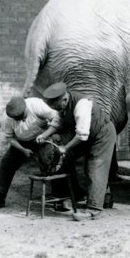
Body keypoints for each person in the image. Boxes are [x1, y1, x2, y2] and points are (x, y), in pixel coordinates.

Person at [43, 82, 117, 221]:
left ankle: (93, 209)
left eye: (57, 106)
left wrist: (65, 147)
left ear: (64, 99)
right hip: (86, 136)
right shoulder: (61, 105)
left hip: (102, 134)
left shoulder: (81, 105)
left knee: (94, 167)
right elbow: (57, 123)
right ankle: (74, 196)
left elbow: (82, 135)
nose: (57, 109)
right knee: (62, 158)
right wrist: (44, 136)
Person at [0, 96, 61, 211]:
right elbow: (10, 138)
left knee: (54, 162)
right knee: (6, 163)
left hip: (43, 137)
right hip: (22, 142)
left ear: (26, 107)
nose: (22, 120)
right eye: (18, 119)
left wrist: (45, 135)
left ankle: (61, 198)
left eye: (23, 116)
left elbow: (56, 117)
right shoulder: (6, 118)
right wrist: (23, 150)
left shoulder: (36, 104)